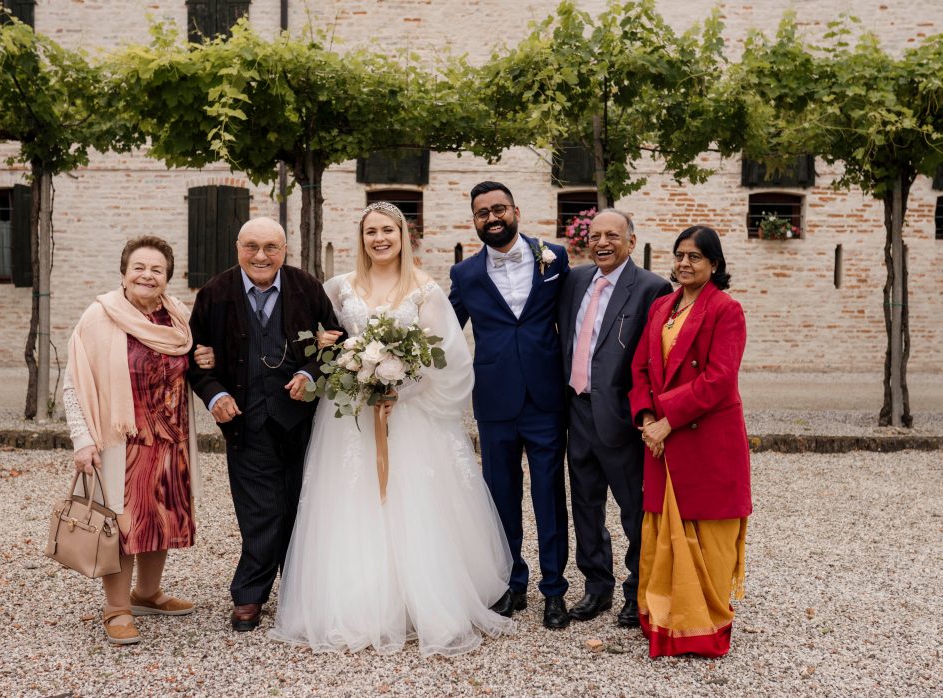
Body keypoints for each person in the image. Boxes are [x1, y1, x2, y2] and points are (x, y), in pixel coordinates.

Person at [269, 201, 515, 657]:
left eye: (388, 230)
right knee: (350, 501)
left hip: (409, 415)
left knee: (412, 501)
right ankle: (357, 604)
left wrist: (401, 389)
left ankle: (423, 600)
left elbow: (449, 359)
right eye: (370, 232)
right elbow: (322, 344)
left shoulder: (424, 289)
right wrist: (336, 356)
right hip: (350, 417)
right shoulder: (339, 288)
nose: (379, 238)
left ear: (403, 235)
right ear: (360, 239)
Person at [187, 217, 341, 632]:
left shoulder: (306, 287)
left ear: (284, 250)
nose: (261, 256)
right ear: (237, 247)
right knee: (259, 510)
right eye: (252, 246)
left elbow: (336, 340)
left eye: (271, 247)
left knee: (298, 506)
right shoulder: (215, 294)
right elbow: (194, 357)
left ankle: (298, 590)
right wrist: (215, 395)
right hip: (245, 419)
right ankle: (250, 596)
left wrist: (311, 373)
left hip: (301, 420)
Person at [63, 235, 201, 646]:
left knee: (159, 521)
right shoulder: (99, 317)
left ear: (167, 278)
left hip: (170, 441)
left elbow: (189, 365)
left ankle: (147, 594)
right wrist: (82, 439)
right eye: (139, 267)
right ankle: (117, 609)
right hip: (121, 440)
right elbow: (74, 382)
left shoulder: (177, 318)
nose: (147, 275)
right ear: (124, 273)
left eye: (157, 269)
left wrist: (205, 359)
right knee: (121, 525)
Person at [448, 181, 572, 629]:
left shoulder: (555, 256)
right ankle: (511, 584)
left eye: (499, 209)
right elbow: (444, 330)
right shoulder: (465, 275)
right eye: (483, 213)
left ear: (516, 210)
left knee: (549, 496)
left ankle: (554, 590)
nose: (492, 218)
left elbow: (573, 318)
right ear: (475, 221)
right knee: (501, 498)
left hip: (546, 399)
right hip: (495, 400)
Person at [629, 225, 752, 658]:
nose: (684, 263)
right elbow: (642, 367)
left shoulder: (726, 310)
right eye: (680, 255)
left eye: (695, 257)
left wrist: (667, 421)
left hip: (705, 439)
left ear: (714, 264)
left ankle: (703, 625)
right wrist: (646, 416)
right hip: (660, 436)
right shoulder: (662, 306)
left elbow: (719, 379)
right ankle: (665, 619)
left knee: (706, 535)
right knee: (662, 530)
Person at [557, 209, 672, 628]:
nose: (602, 242)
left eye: (612, 235)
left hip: (623, 418)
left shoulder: (651, 289)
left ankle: (637, 589)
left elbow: (656, 359)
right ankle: (596, 587)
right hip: (577, 410)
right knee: (585, 505)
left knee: (634, 509)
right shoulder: (573, 280)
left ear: (631, 240)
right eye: (595, 234)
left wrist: (651, 415)